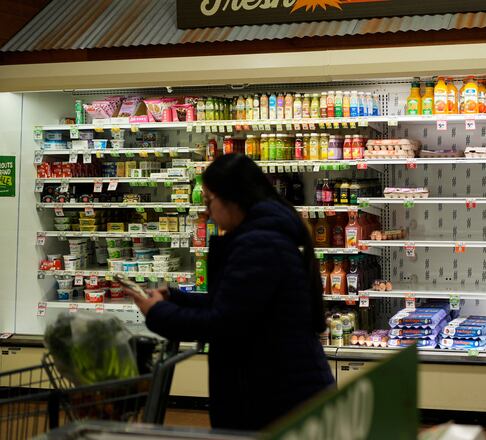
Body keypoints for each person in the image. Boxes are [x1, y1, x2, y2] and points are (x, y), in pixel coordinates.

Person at [127, 154, 335, 430]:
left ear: (232, 198)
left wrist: (158, 312)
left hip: (275, 395)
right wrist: (177, 298)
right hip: (281, 386)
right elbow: (241, 302)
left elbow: (224, 322)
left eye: (208, 200)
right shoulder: (268, 234)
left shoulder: (259, 244)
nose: (207, 211)